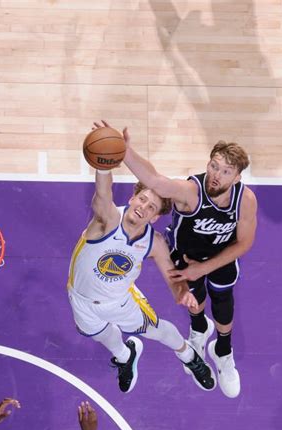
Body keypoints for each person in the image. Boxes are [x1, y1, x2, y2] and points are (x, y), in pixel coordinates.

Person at [68, 135, 215, 393]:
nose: (144, 207)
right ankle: (126, 356)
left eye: (151, 207)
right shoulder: (107, 220)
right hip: (80, 299)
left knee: (157, 330)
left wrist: (183, 294)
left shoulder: (154, 242)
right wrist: (103, 165)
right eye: (143, 200)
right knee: (102, 335)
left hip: (120, 301)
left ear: (156, 216)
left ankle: (188, 355)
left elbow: (172, 277)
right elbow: (103, 194)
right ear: (134, 197)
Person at [122, 125, 258, 398]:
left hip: (220, 258)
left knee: (222, 302)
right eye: (214, 166)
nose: (216, 175)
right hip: (184, 256)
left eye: (225, 171)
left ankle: (222, 351)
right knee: (192, 299)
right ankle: (199, 329)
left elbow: (244, 243)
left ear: (237, 176)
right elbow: (157, 181)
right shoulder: (190, 192)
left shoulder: (245, 200)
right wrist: (125, 151)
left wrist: (205, 268)